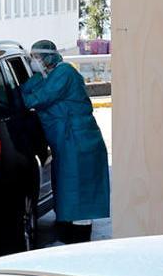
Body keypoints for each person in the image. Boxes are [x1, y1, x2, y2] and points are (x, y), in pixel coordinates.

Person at [22, 39, 110, 243]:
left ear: (47, 57)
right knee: (68, 188)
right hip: (68, 142)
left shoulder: (64, 73)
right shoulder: (50, 75)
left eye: (36, 57)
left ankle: (79, 239)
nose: (34, 62)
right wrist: (36, 76)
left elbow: (35, 99)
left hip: (80, 142)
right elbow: (28, 89)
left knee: (80, 191)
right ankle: (70, 233)